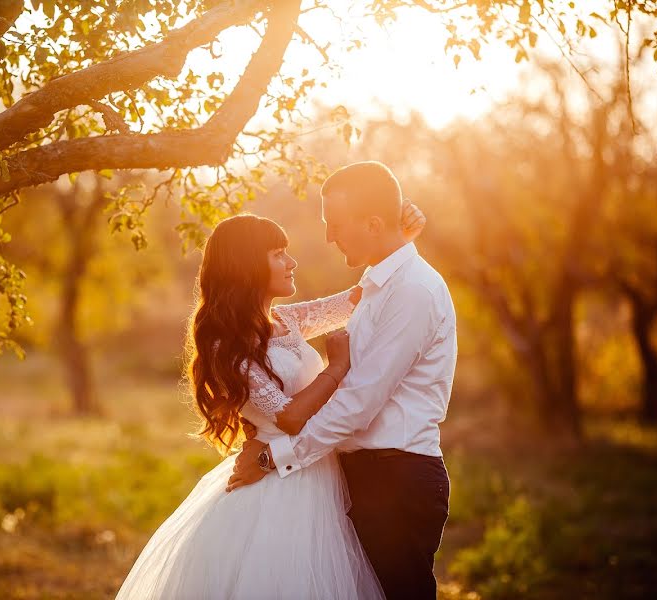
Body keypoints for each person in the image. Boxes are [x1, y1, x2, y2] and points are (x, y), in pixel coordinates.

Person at [115, 198, 426, 599]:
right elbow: (289, 418)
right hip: (279, 487)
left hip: (316, 470)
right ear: (247, 266)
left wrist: (397, 243)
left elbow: (357, 297)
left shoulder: (287, 320)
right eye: (279, 254)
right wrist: (336, 367)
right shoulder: (225, 343)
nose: (291, 262)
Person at [228, 161, 458, 600]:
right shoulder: (379, 285)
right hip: (361, 477)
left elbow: (358, 403)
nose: (329, 237)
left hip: (396, 478)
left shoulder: (413, 290)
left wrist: (273, 459)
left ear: (372, 224)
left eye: (335, 225)